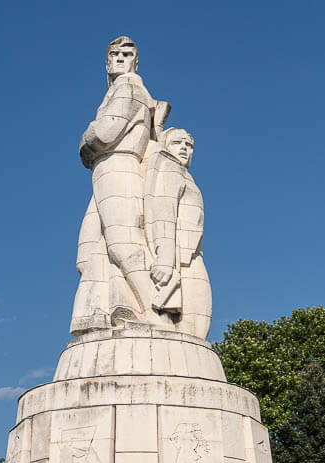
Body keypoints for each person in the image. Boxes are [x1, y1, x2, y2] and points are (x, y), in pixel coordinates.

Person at [77, 36, 169, 330]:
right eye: (114, 54)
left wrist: (86, 137)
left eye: (127, 54)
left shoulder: (129, 88)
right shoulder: (118, 90)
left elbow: (104, 134)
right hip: (105, 168)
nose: (119, 58)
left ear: (134, 61)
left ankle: (157, 312)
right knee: (90, 249)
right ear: (106, 62)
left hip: (119, 163)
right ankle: (107, 312)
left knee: (122, 243)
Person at [144, 128, 212, 339]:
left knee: (198, 326)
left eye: (189, 145)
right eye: (177, 143)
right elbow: (164, 210)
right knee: (196, 326)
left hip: (190, 255)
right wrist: (165, 259)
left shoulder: (185, 175)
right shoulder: (169, 167)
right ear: (165, 145)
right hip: (180, 259)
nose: (184, 148)